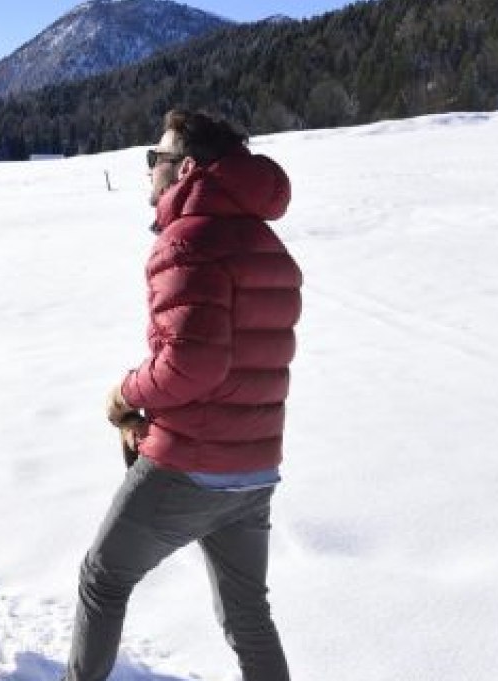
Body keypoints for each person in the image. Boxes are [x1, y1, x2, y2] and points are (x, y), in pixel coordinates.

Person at [65, 109, 302, 681]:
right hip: (253, 468)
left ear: (186, 168)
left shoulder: (189, 241)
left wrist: (124, 393)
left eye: (157, 158)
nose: (150, 170)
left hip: (189, 462)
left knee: (102, 579)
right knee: (248, 613)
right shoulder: (265, 241)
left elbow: (191, 364)